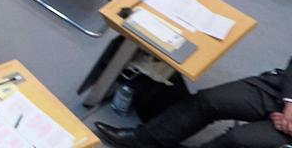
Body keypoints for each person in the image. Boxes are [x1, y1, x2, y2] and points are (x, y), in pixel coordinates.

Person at [92, 54, 292, 147]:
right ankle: (145, 139)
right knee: (210, 100)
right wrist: (290, 103)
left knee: (238, 140)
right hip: (283, 90)